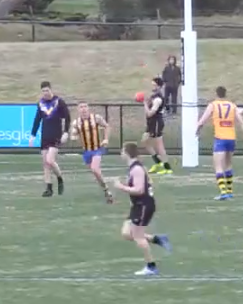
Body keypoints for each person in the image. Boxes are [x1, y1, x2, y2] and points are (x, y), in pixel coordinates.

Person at [114, 142, 172, 276]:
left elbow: (139, 190)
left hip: (143, 206)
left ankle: (151, 266)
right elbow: (149, 183)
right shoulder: (134, 168)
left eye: (122, 151)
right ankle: (157, 239)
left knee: (138, 236)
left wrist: (120, 187)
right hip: (138, 205)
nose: (121, 154)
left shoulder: (137, 169)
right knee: (126, 233)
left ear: (127, 153)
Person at [196, 86, 243, 200]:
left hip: (220, 138)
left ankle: (223, 192)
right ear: (226, 94)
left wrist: (197, 130)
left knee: (218, 166)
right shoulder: (232, 106)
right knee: (228, 165)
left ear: (216, 94)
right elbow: (241, 123)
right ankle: (230, 191)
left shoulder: (213, 105)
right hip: (231, 138)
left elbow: (202, 120)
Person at [29, 81, 71, 196]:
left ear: (51, 90)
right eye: (43, 91)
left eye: (47, 90)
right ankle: (49, 188)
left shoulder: (59, 102)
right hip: (45, 135)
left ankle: (60, 178)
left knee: (50, 160)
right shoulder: (41, 104)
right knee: (45, 163)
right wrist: (32, 135)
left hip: (56, 135)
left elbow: (67, 118)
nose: (45, 93)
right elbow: (37, 120)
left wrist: (66, 132)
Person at [73, 102, 113, 204]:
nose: (83, 109)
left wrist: (106, 139)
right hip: (86, 151)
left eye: (85, 106)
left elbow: (107, 126)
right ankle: (106, 190)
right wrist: (73, 136)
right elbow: (73, 134)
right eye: (81, 107)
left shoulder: (96, 118)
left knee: (95, 169)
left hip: (97, 149)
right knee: (96, 173)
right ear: (78, 110)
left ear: (88, 108)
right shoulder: (76, 122)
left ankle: (107, 190)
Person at [142, 77, 173, 175]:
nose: (153, 87)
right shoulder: (153, 96)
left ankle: (167, 167)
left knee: (159, 146)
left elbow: (150, 113)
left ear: (159, 86)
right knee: (145, 141)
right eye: (152, 85)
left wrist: (145, 105)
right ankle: (158, 162)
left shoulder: (158, 99)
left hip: (156, 123)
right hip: (151, 123)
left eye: (154, 85)